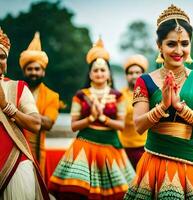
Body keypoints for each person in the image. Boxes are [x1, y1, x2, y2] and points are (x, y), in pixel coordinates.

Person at [124, 5, 193, 199]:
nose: (179, 50)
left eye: (184, 43)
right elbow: (139, 126)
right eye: (171, 44)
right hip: (155, 163)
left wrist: (179, 107)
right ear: (159, 45)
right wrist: (163, 106)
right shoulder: (145, 81)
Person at [48, 38, 135, 199]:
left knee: (116, 195)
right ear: (90, 74)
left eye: (103, 70)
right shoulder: (81, 95)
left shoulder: (118, 96)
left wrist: (103, 118)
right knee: (77, 192)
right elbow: (74, 126)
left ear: (108, 73)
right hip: (84, 146)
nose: (99, 73)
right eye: (95, 70)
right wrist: (90, 118)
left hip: (110, 147)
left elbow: (121, 125)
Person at [0, 28, 49, 199]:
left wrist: (6, 106)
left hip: (15, 163)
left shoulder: (18, 87)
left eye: (2, 56)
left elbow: (36, 124)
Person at [19, 32, 60, 177]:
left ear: (43, 71)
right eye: (29, 69)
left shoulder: (52, 96)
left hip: (36, 151)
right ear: (24, 71)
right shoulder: (16, 90)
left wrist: (18, 115)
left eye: (37, 69)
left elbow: (48, 123)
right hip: (14, 147)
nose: (33, 72)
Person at [119, 54, 149, 169]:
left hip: (145, 146)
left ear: (143, 74)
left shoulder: (150, 95)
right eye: (130, 73)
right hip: (123, 147)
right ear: (126, 76)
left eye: (138, 72)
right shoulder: (120, 95)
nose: (134, 76)